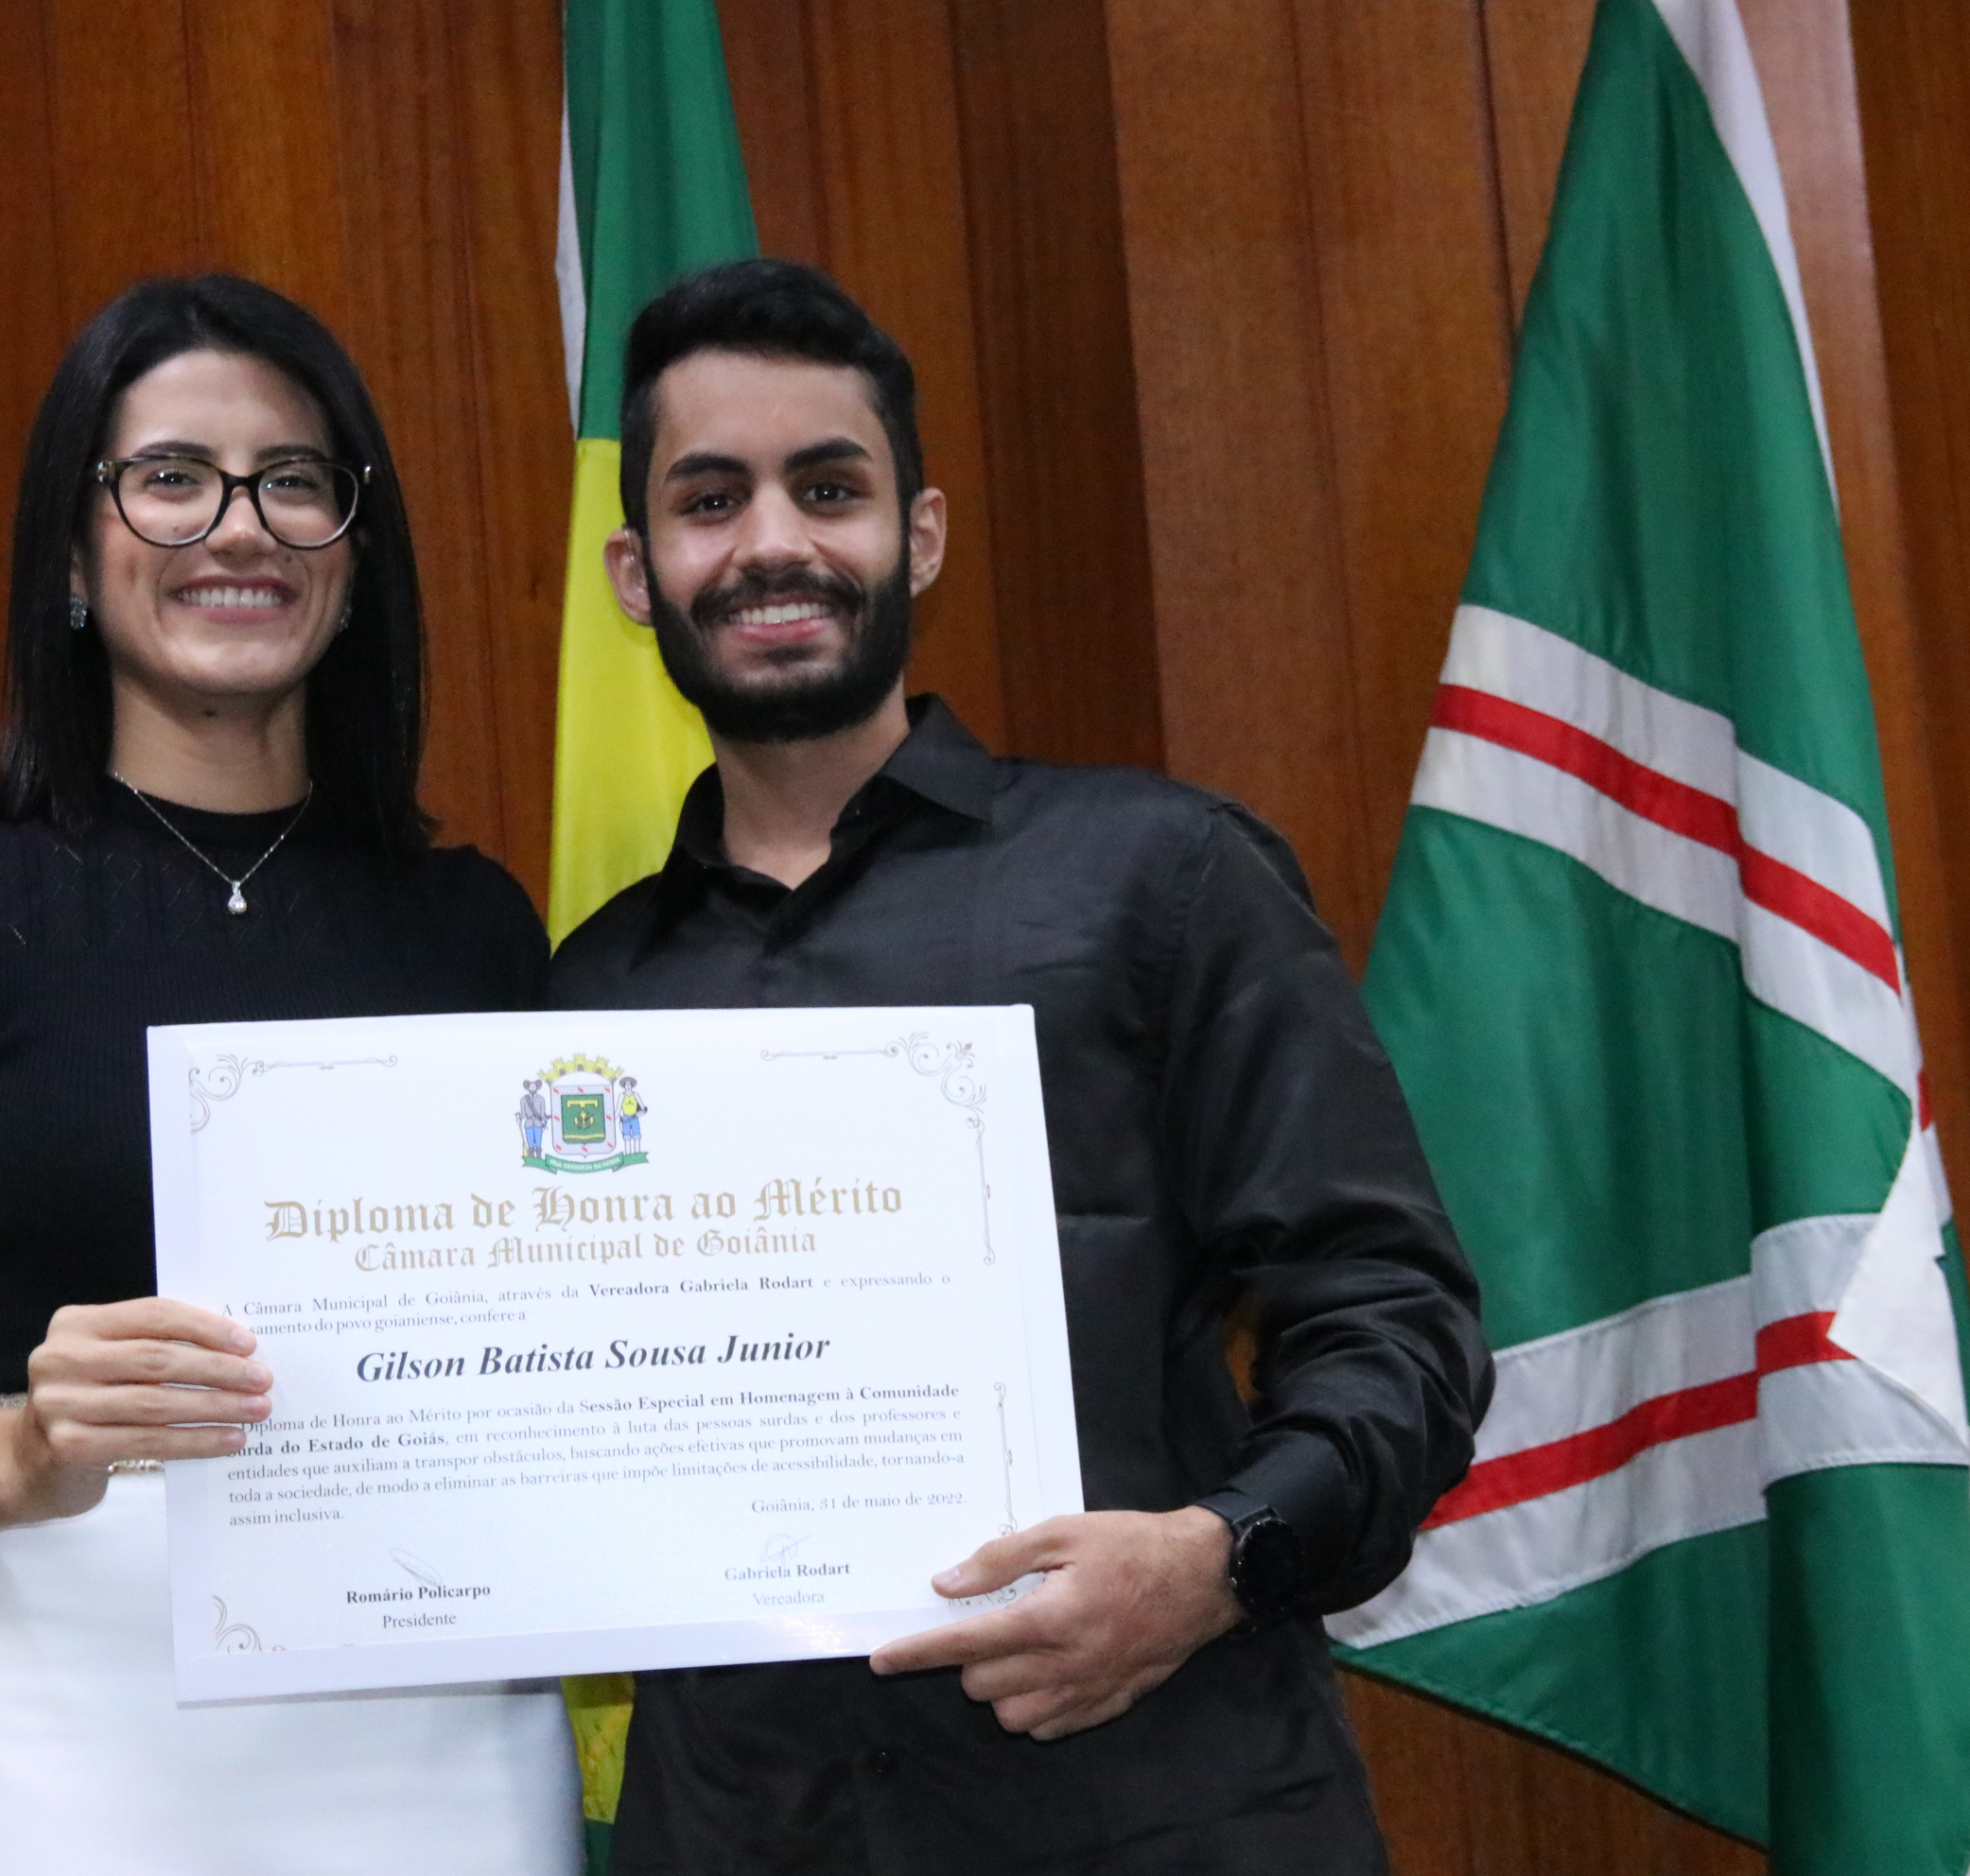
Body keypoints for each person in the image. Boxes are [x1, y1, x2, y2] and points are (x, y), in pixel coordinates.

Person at [550, 257, 1493, 1873]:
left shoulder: (1161, 876)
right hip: (743, 1834)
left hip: (1158, 1817)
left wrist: (1215, 1561)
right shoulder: (581, 1002)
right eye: (712, 499)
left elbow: (1394, 1317)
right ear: (638, 574)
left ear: (917, 535)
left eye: (827, 489)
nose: (772, 543)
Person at [0, 275, 581, 1875]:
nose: (238, 528)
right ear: (71, 549)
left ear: (355, 557)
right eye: (170, 478)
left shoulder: (473, 923)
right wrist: (22, 1454)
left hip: (439, 1699)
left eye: (293, 481)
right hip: (61, 1703)